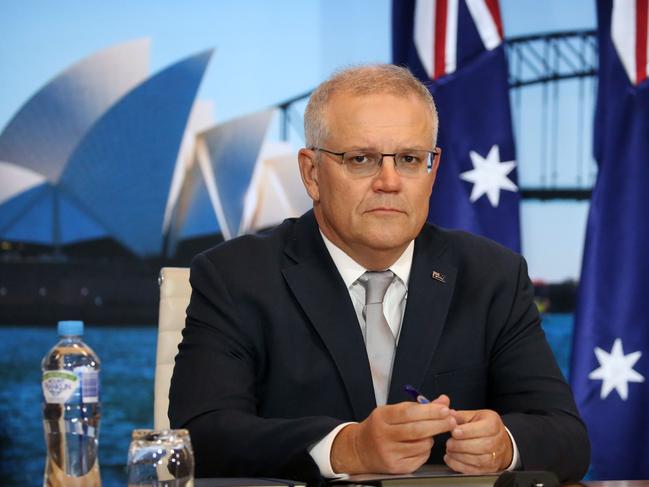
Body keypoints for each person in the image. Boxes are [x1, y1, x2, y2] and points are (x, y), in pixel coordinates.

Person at [169, 64, 589, 485]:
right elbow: (199, 437)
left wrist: (505, 444)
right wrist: (347, 447)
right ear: (312, 174)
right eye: (361, 159)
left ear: (433, 170)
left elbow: (567, 436)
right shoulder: (236, 276)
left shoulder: (492, 275)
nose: (389, 182)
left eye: (409, 159)